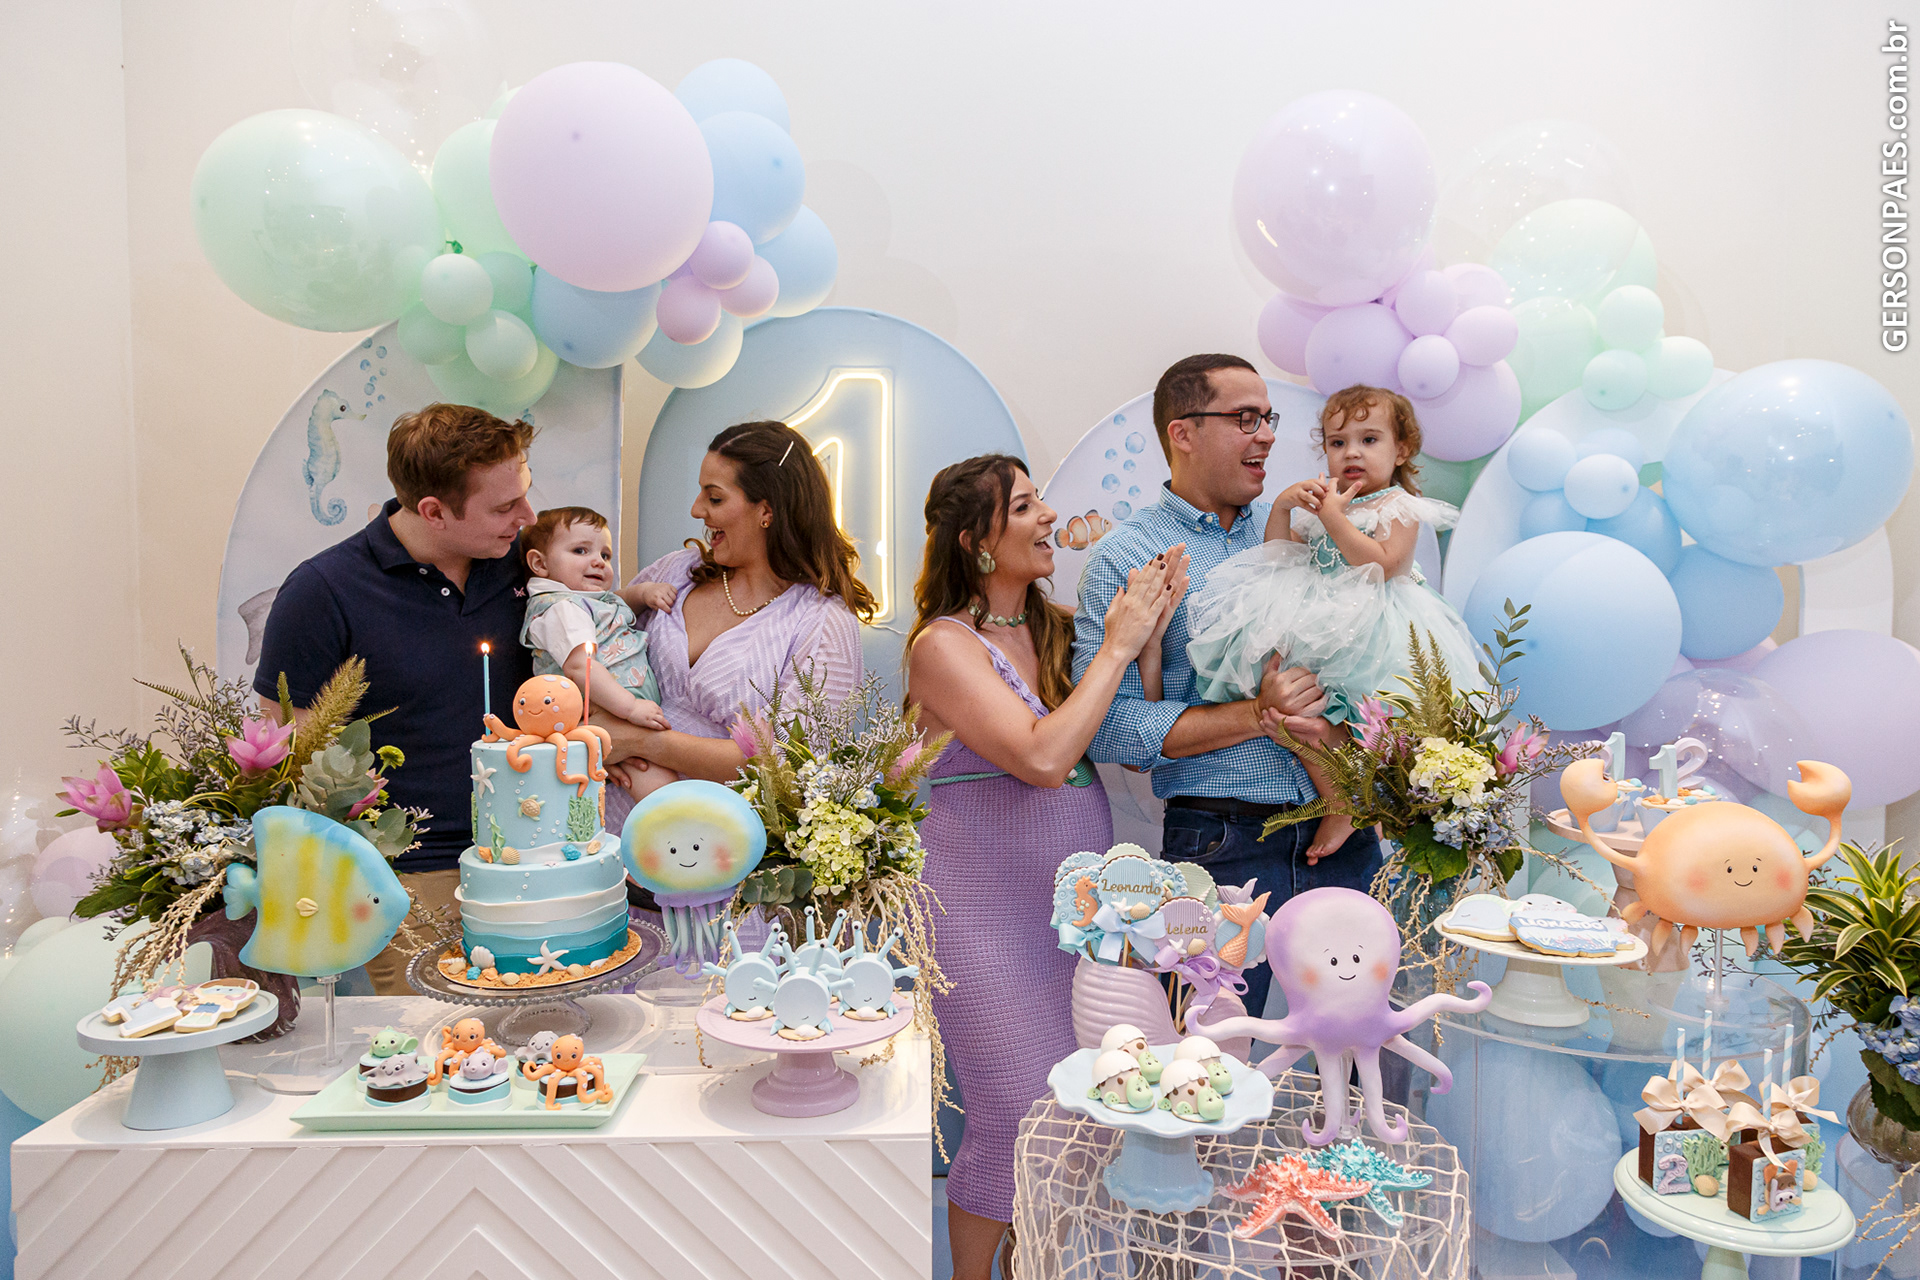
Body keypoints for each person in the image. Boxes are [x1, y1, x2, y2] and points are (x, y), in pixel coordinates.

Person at [907, 454, 1183, 1280]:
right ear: (976, 540)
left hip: (1076, 913)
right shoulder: (942, 646)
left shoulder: (1059, 628)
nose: (1050, 516)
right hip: (978, 910)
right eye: (1026, 505)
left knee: (1077, 1108)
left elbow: (1127, 739)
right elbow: (1040, 757)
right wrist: (1119, 645)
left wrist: (1146, 642)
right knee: (1015, 1109)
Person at [1073, 354, 1384, 1023]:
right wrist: (1257, 713)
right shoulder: (1127, 558)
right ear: (1182, 432)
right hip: (1222, 843)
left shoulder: (1309, 530)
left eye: (1268, 418)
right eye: (1245, 418)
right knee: (1205, 1057)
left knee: (1362, 1049)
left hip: (1348, 838)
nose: (1267, 434)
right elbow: (1112, 730)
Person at [253, 403, 536, 995]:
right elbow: (290, 752)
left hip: (537, 856)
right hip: (412, 877)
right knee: (448, 1041)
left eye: (525, 495)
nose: (526, 517)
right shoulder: (323, 591)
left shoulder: (525, 563)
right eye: (504, 506)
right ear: (433, 511)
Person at [1160, 385, 1482, 859]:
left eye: (1369, 440)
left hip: (1376, 629)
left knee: (1363, 724)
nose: (1351, 452)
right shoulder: (1324, 504)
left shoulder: (1398, 506)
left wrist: (1334, 518)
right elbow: (1278, 556)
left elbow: (1383, 565)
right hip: (1322, 621)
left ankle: (1358, 797)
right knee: (1296, 710)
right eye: (1337, 442)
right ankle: (1338, 796)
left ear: (1401, 450)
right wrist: (1283, 507)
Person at [597, 421, 871, 823]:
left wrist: (641, 742)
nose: (697, 510)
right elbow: (593, 640)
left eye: (715, 497)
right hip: (599, 831)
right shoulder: (676, 572)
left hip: (711, 846)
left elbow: (790, 765)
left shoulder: (822, 622)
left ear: (767, 511)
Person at [519, 506, 679, 799]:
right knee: (656, 783)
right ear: (540, 564)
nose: (598, 561)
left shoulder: (584, 601)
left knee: (655, 774)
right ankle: (672, 822)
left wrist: (642, 593)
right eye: (580, 550)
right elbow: (580, 667)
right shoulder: (561, 609)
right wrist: (630, 708)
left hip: (616, 710)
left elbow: (613, 601)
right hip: (603, 711)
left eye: (605, 555)